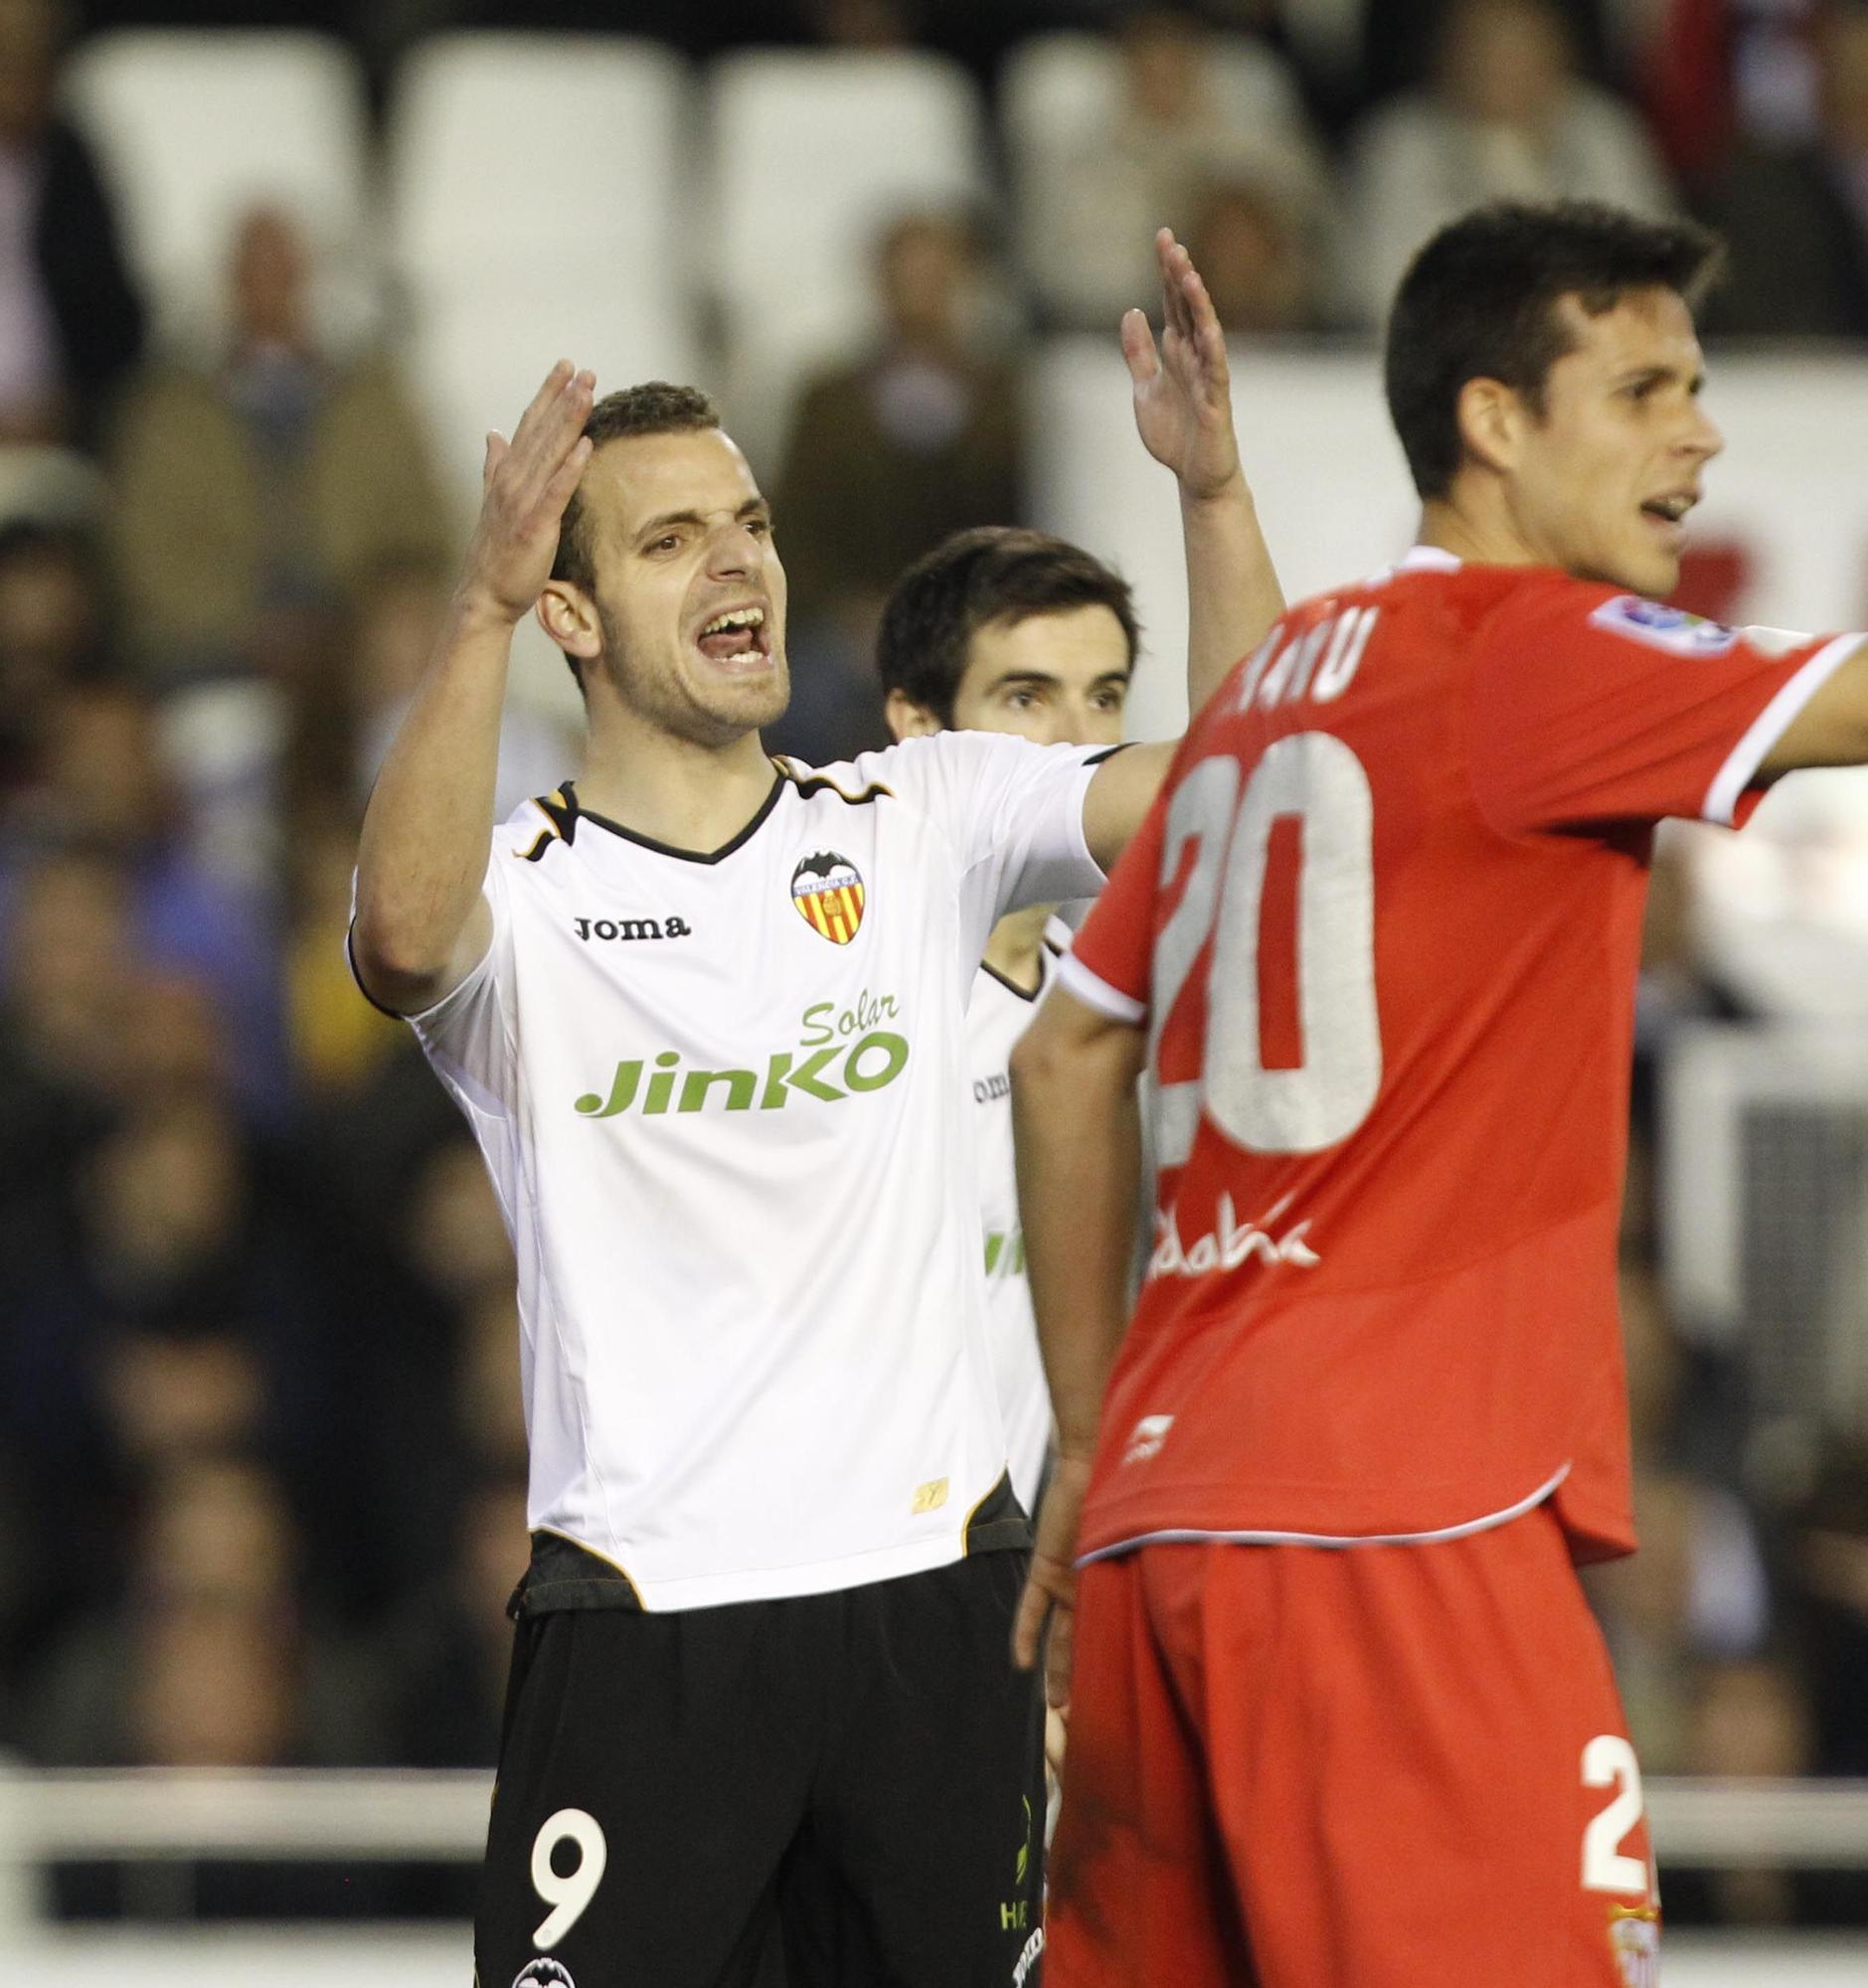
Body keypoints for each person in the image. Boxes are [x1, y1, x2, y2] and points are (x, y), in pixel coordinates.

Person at [349, 231, 1279, 1988]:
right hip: (649, 1615)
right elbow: (394, 942)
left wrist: (1215, 498)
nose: (738, 562)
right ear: (571, 612)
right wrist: (469, 608)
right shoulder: (521, 902)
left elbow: (1244, 787)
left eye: (753, 521)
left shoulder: (916, 819)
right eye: (671, 536)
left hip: (938, 1600)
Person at [1008, 198, 1868, 1987]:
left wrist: (1086, 1442)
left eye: (1701, 389)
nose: (1696, 435)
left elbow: (1066, 1046)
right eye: (1641, 389)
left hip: (1166, 1522)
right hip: (1404, 1530)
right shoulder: (1535, 653)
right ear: (1494, 422)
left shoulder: (1264, 701)